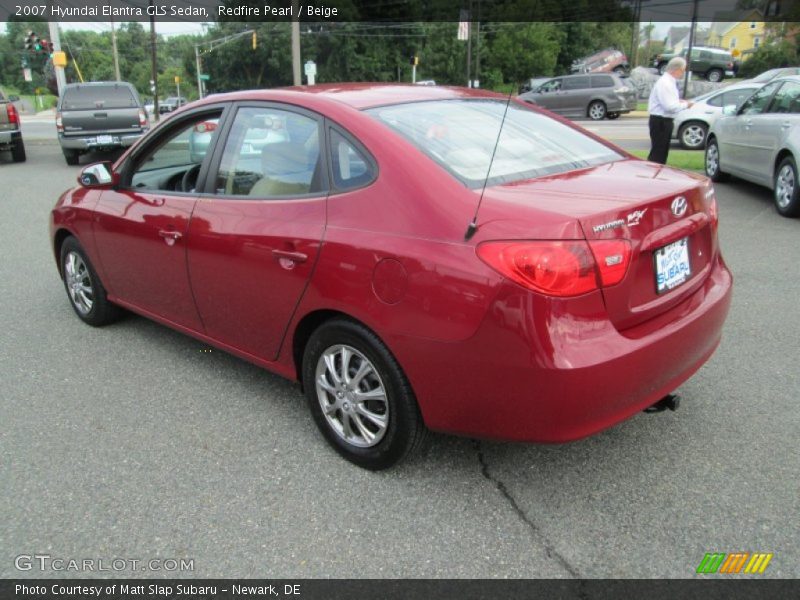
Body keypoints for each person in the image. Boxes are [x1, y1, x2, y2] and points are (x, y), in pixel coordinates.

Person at [647, 56, 694, 164]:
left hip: (662, 121)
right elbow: (669, 107)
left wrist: (678, 102)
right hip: (661, 121)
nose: (683, 73)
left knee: (661, 152)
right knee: (658, 154)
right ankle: (654, 176)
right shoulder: (666, 83)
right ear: (678, 69)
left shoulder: (668, 82)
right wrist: (686, 105)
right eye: (683, 70)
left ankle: (656, 175)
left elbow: (669, 102)